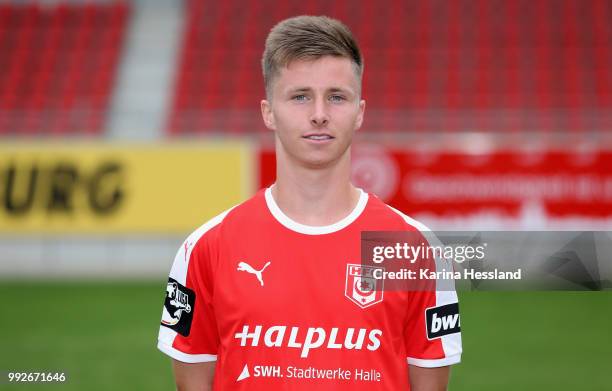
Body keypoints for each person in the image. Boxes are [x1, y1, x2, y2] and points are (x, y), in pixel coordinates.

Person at [157, 15, 461, 390]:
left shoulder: (413, 248)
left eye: (336, 97)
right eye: (300, 96)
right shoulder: (208, 247)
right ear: (269, 112)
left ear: (360, 112)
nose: (319, 114)